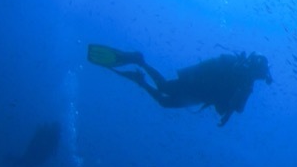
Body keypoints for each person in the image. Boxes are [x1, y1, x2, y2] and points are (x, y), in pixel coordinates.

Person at [87, 45, 273, 126]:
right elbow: (235, 106)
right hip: (199, 86)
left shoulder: (244, 78)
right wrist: (228, 114)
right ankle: (139, 61)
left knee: (164, 98)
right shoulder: (245, 81)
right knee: (164, 89)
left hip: (201, 92)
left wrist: (228, 115)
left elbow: (233, 106)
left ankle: (141, 78)